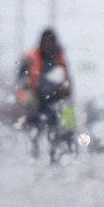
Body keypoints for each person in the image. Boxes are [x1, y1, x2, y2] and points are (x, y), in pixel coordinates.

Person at [16, 28, 72, 157]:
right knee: (34, 128)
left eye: (52, 41)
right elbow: (21, 76)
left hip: (55, 99)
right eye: (47, 41)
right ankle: (33, 154)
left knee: (54, 128)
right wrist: (26, 89)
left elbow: (67, 77)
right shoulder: (31, 56)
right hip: (36, 98)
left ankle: (53, 155)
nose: (50, 44)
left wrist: (66, 91)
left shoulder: (59, 57)